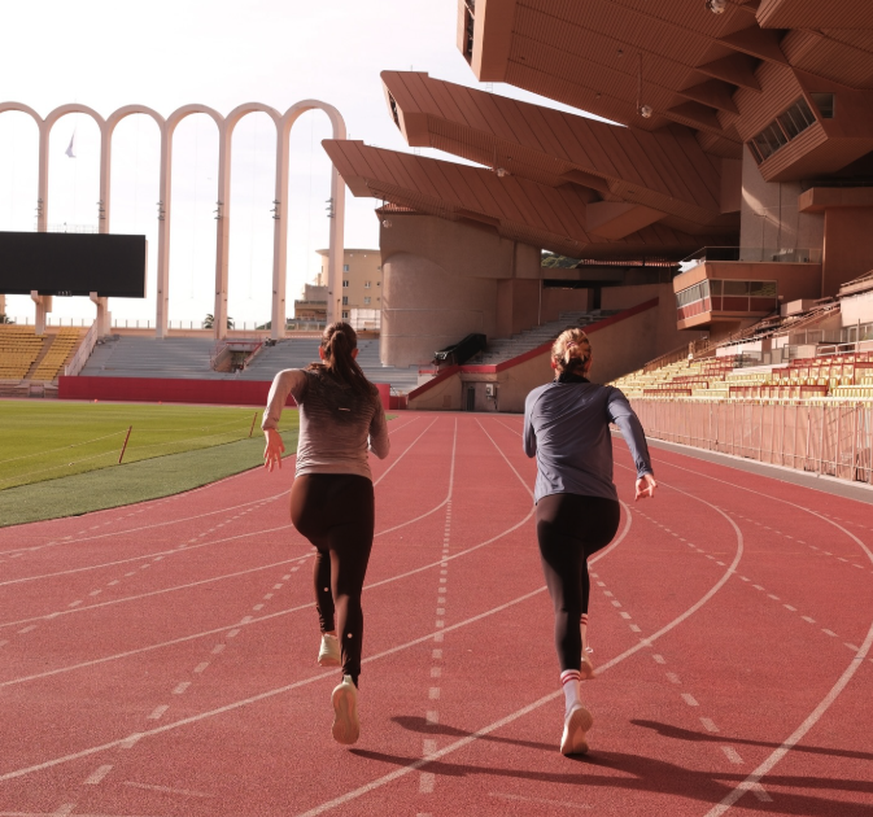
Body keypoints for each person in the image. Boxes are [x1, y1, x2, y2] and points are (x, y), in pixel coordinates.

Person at [523, 327, 656, 756]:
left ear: (554, 362)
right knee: (577, 561)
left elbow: (529, 448)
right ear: (590, 363)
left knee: (564, 601)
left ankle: (572, 705)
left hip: (556, 509)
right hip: (603, 514)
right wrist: (642, 469)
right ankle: (579, 654)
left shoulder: (536, 397)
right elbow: (628, 420)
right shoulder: (606, 394)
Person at [262, 322, 390, 746]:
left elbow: (282, 378)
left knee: (323, 544)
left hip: (308, 498)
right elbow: (383, 450)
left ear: (323, 349)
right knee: (349, 591)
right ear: (356, 354)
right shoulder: (369, 393)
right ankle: (349, 679)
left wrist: (271, 425)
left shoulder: (309, 379)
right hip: (353, 493)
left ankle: (327, 637)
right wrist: (361, 428)